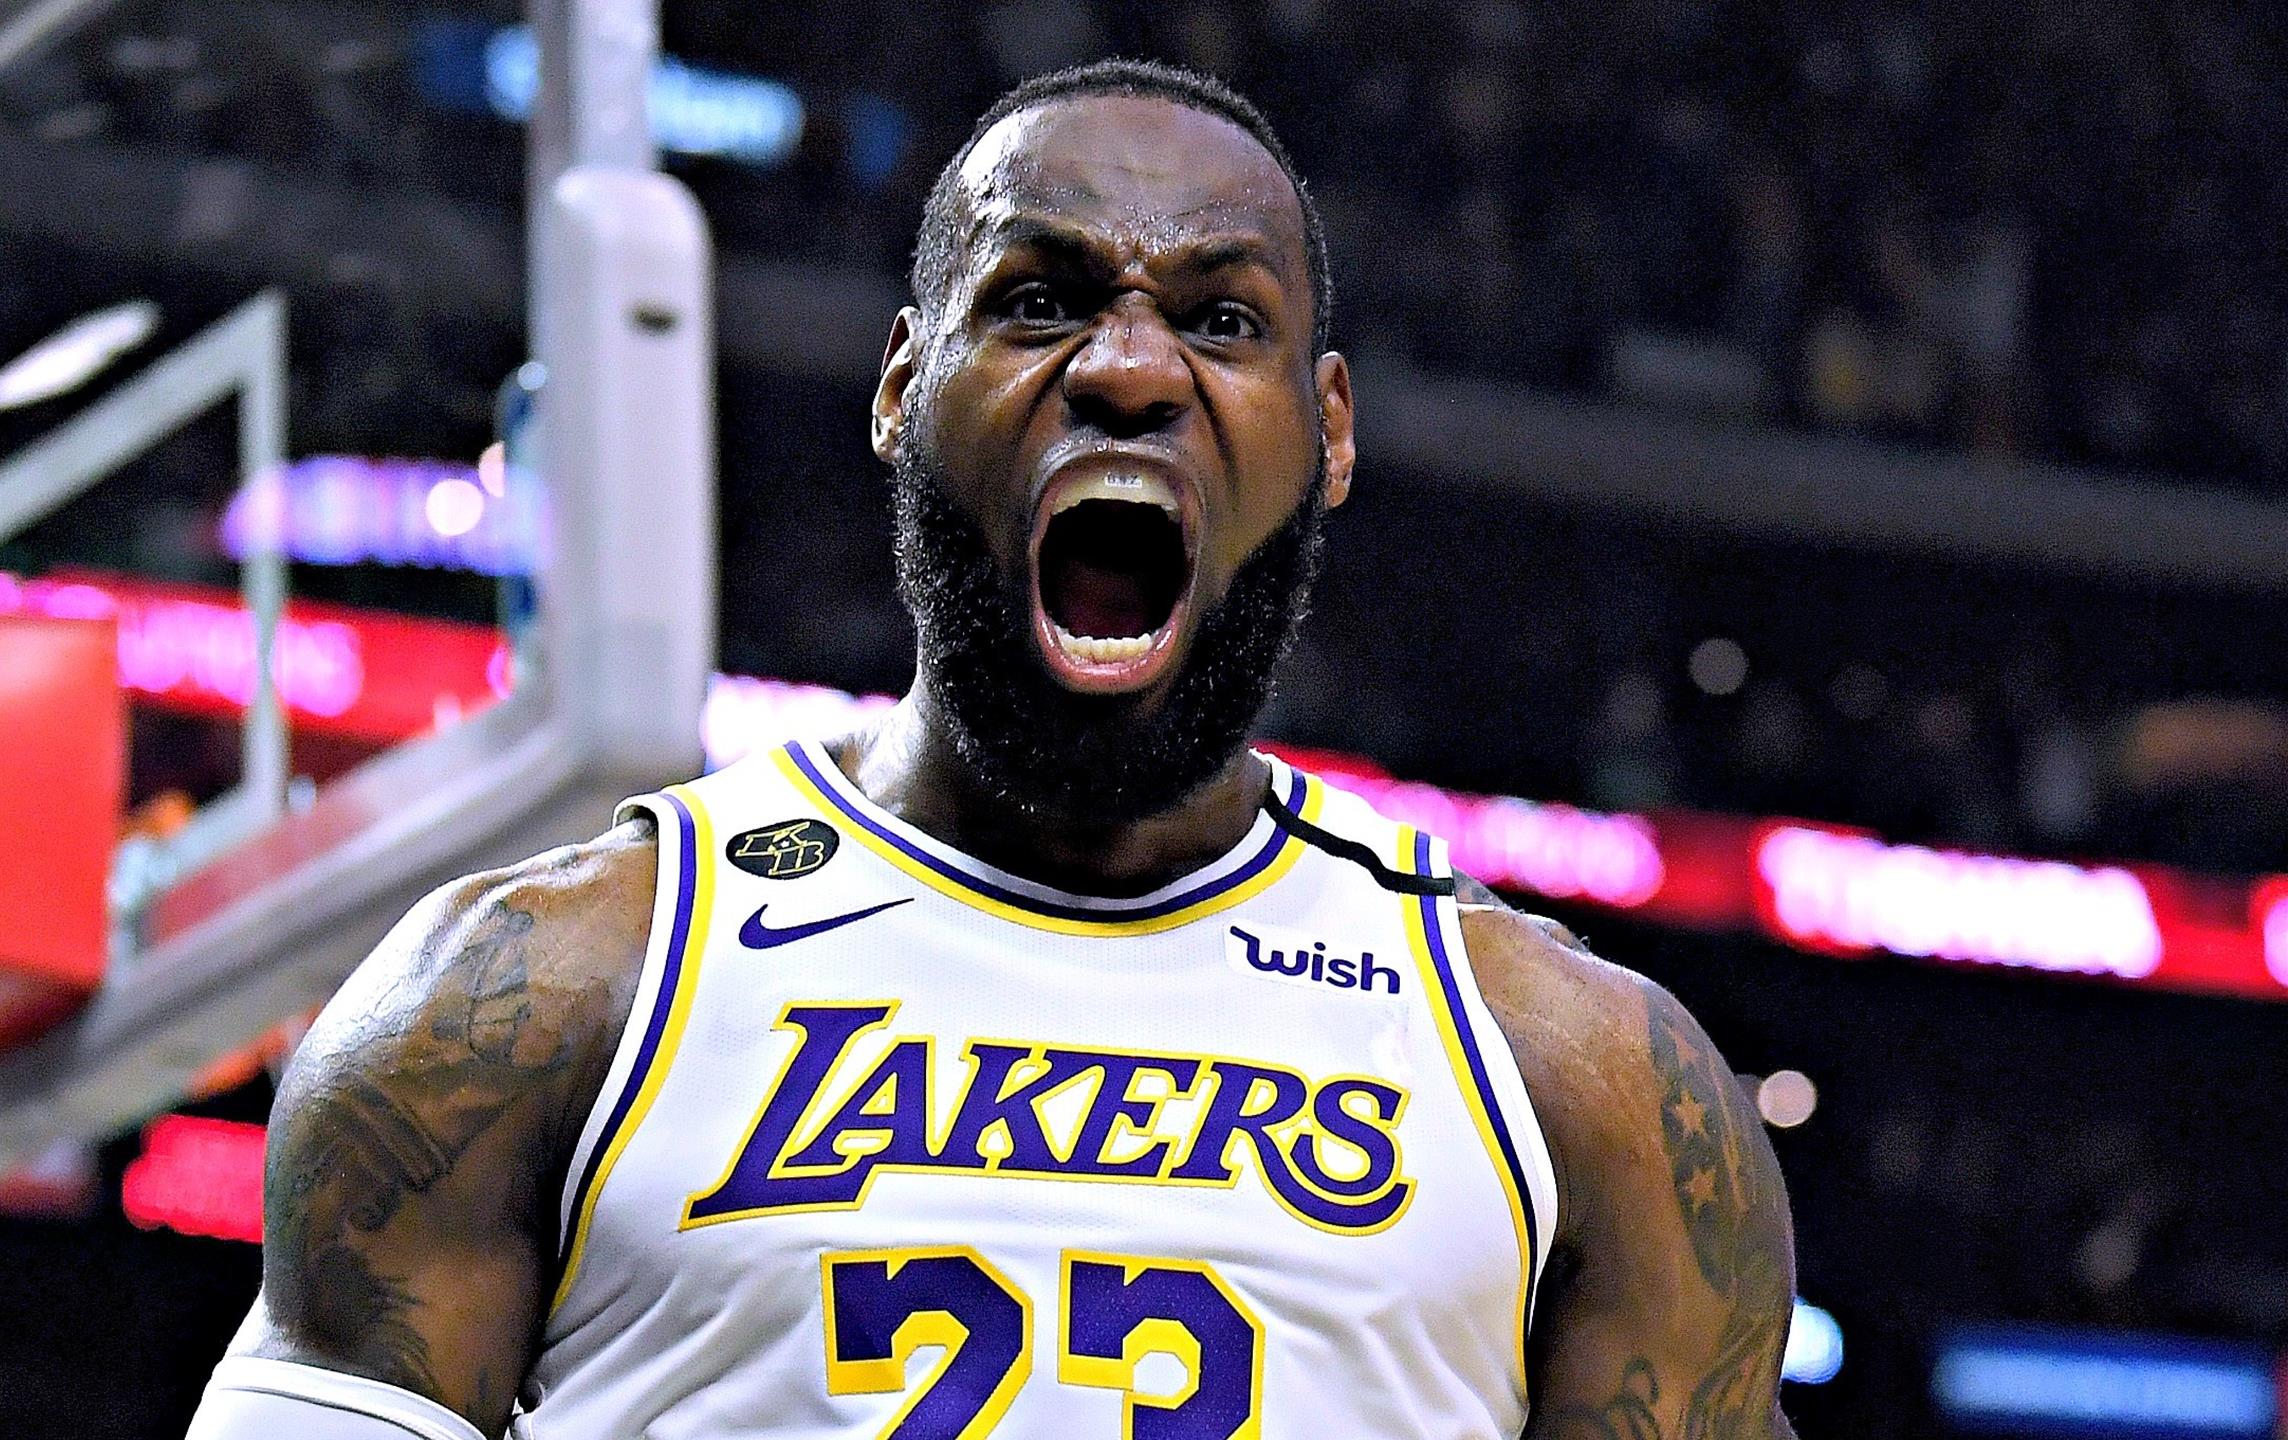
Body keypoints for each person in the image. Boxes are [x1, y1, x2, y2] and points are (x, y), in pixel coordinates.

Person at [188, 58, 1797, 1440]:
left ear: (1328, 433)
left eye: (1218, 319)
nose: (1128, 368)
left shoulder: (1581, 1087)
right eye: (1038, 301)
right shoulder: (537, 993)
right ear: (903, 385)